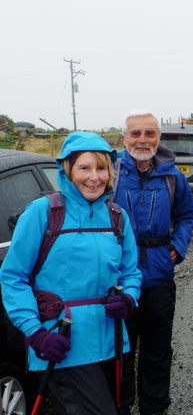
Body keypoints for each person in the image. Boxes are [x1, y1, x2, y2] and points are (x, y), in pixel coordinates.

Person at [0, 131, 141, 414]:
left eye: (101, 168)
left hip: (113, 341)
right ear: (67, 170)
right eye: (84, 168)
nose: (94, 177)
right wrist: (35, 333)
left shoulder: (117, 217)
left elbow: (131, 273)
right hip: (63, 345)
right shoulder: (43, 212)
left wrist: (128, 298)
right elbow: (13, 277)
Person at [115, 110, 193, 415]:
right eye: (135, 133)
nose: (142, 139)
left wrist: (178, 246)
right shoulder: (109, 172)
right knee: (119, 349)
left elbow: (188, 216)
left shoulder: (173, 176)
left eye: (149, 133)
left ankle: (154, 405)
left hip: (159, 276)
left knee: (157, 349)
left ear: (158, 138)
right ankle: (120, 405)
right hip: (118, 279)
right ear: (123, 138)